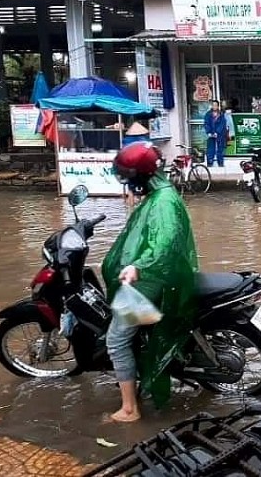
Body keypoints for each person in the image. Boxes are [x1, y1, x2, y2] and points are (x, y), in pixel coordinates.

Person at [102, 142, 198, 422]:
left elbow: (164, 243)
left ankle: (129, 409)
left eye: (129, 178)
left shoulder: (163, 203)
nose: (127, 183)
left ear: (141, 176)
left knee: (116, 340)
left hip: (152, 280)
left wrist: (137, 266)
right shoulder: (158, 195)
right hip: (156, 275)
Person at [204, 100, 228, 168]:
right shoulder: (208, 114)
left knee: (220, 149)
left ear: (218, 106)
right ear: (211, 106)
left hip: (219, 135)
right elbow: (206, 123)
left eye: (216, 105)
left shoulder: (221, 114)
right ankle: (210, 163)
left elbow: (222, 124)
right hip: (211, 134)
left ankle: (220, 163)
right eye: (213, 105)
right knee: (210, 149)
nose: (214, 106)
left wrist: (217, 132)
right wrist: (208, 132)